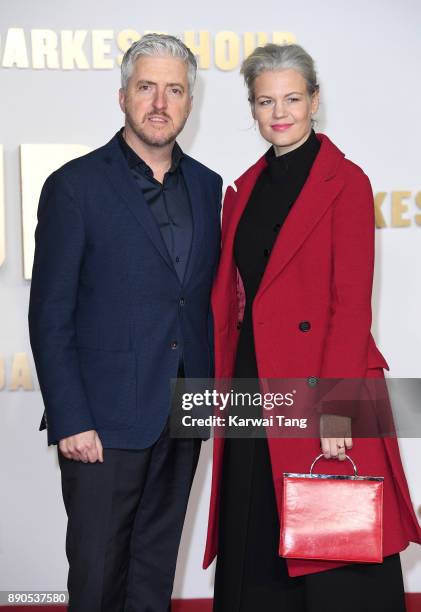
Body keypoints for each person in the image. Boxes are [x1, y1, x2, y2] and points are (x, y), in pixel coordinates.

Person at [203, 43, 421, 612]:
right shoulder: (243, 187)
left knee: (335, 546)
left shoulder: (346, 182)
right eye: (266, 100)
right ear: (251, 107)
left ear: (315, 101)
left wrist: (338, 405)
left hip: (327, 380)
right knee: (259, 541)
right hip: (256, 384)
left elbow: (351, 305)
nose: (280, 112)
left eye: (293, 98)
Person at [29, 33, 222, 612]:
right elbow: (49, 313)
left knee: (153, 575)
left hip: (183, 413)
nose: (160, 103)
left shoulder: (209, 186)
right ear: (122, 97)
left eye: (174, 90)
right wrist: (71, 419)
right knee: (97, 578)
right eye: (146, 88)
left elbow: (199, 302)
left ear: (189, 103)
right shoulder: (75, 186)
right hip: (102, 425)